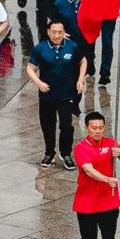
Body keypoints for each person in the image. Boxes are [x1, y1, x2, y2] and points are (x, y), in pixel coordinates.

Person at [70, 111, 120, 239]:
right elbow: (88, 170)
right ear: (87, 128)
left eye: (101, 128)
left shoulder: (110, 143)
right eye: (94, 128)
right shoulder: (81, 148)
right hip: (87, 202)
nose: (97, 131)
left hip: (109, 201)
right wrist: (106, 179)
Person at [27, 19, 88, 170]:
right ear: (48, 32)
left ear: (64, 32)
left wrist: (80, 79)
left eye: (60, 32)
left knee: (67, 126)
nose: (56, 35)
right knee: (47, 125)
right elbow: (30, 68)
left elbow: (83, 61)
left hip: (67, 94)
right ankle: (49, 153)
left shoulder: (72, 47)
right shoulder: (40, 48)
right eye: (53, 32)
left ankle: (65, 153)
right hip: (47, 94)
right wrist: (38, 82)